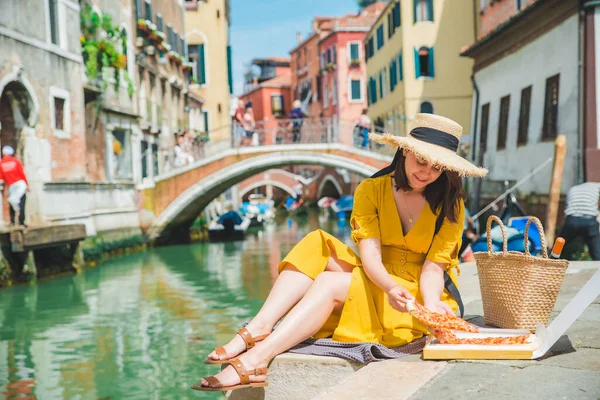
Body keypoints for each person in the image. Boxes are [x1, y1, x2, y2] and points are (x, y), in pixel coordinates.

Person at [193, 114, 488, 393]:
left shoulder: (451, 203)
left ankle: (256, 358)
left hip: (419, 293)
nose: (426, 172)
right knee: (316, 241)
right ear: (404, 152)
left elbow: (434, 269)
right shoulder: (370, 190)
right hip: (379, 276)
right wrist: (389, 286)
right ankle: (260, 327)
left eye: (437, 168)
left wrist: (432, 303)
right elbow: (370, 257)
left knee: (328, 283)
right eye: (421, 161)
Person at [557, 182, 600, 260]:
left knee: (558, 245)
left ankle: (551, 261)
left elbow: (567, 207)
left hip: (572, 220)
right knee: (597, 252)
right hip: (589, 221)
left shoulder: (572, 189)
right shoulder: (597, 187)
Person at [0, 146, 29, 227]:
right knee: (21, 203)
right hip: (20, 184)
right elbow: (22, 174)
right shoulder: (16, 161)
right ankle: (21, 222)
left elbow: (1, 177)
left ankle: (12, 222)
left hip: (11, 185)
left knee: (12, 202)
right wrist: (27, 184)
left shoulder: (1, 163)